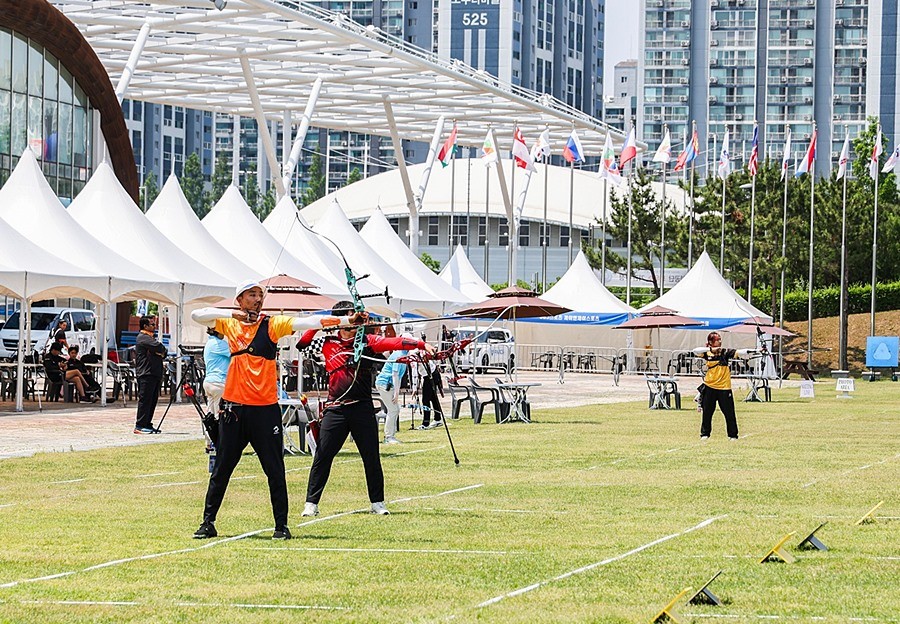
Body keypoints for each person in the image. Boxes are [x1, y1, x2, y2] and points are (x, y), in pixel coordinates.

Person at [190, 280, 340, 541]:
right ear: (239, 300)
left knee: (274, 470)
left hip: (264, 411)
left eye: (260, 295)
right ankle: (208, 523)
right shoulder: (229, 324)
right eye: (252, 295)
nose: (258, 299)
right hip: (234, 410)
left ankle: (281, 526)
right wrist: (233, 315)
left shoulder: (271, 324)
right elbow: (197, 315)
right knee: (222, 468)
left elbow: (306, 322)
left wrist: (344, 320)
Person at [297, 301, 435, 517]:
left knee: (371, 457)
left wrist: (420, 344)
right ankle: (311, 503)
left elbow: (395, 342)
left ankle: (377, 502)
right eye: (350, 317)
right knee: (322, 456)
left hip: (361, 408)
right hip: (336, 409)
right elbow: (302, 344)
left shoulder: (367, 342)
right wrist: (324, 323)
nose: (355, 322)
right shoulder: (327, 342)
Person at [694, 331, 752, 441]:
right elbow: (695, 351)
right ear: (711, 341)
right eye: (717, 340)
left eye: (720, 339)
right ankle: (705, 434)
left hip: (724, 388)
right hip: (710, 386)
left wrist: (755, 351)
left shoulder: (725, 352)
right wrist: (711, 349)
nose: (720, 341)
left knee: (729, 413)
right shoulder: (706, 353)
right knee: (707, 412)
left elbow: (739, 352)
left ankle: (733, 435)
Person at [134, 316, 167, 434]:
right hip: (146, 373)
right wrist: (158, 351)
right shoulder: (143, 337)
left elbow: (164, 352)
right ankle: (140, 425)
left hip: (154, 373)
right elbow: (160, 347)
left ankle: (147, 423)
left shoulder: (151, 338)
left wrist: (159, 352)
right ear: (145, 326)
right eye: (152, 324)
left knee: (152, 401)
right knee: (145, 400)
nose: (155, 326)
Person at [374, 339, 411, 444]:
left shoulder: (403, 354)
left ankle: (391, 435)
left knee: (395, 409)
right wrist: (396, 393)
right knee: (393, 410)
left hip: (388, 384)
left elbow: (398, 376)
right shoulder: (399, 355)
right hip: (384, 384)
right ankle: (388, 437)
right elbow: (395, 374)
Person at [201, 326, 230, 449]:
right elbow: (236, 353)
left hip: (209, 381)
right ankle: (219, 443)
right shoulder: (220, 344)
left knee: (210, 414)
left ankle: (209, 443)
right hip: (219, 382)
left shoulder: (209, 343)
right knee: (219, 415)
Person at [417, 355, 444, 430]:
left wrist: (414, 388)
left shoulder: (412, 353)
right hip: (432, 373)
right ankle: (438, 419)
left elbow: (414, 373)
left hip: (430, 375)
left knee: (425, 400)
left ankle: (426, 423)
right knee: (433, 398)